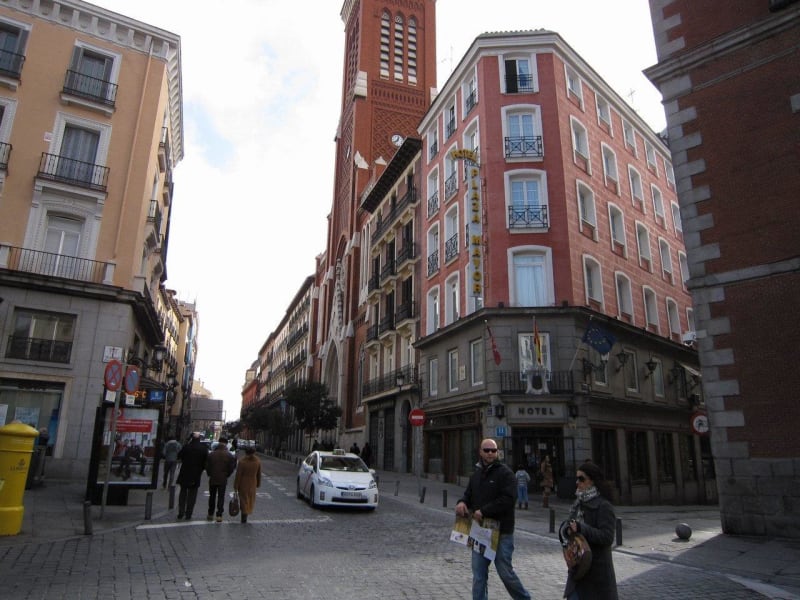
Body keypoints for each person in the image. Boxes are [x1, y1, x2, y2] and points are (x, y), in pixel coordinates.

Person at [455, 438, 531, 600]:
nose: (490, 453)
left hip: (502, 532)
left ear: (497, 453)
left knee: (505, 573)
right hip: (481, 532)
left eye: (493, 450)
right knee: (479, 575)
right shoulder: (476, 475)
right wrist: (461, 502)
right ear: (480, 452)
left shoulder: (506, 473)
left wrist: (484, 511)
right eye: (487, 450)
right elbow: (468, 495)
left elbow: (508, 499)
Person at [562, 461, 618, 600]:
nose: (577, 482)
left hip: (597, 573)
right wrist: (566, 530)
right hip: (578, 570)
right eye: (577, 478)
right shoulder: (578, 503)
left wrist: (582, 528)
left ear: (592, 481)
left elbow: (607, 537)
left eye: (581, 479)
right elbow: (569, 527)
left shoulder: (604, 506)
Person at [176, 432, 209, 520]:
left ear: (191, 438)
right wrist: (201, 468)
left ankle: (181, 512)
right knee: (192, 494)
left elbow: (179, 456)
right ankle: (189, 513)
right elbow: (206, 462)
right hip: (196, 474)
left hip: (184, 472)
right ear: (199, 439)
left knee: (183, 493)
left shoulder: (187, 447)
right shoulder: (203, 448)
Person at [205, 436, 237, 522]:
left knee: (212, 496)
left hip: (213, 478)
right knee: (221, 497)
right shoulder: (229, 455)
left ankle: (210, 514)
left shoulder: (212, 454)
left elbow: (207, 466)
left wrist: (210, 474)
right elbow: (231, 468)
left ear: (219, 443)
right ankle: (219, 515)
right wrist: (227, 475)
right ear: (226, 444)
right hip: (223, 478)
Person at [234, 445, 261, 523]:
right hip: (253, 482)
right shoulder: (257, 461)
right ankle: (247, 512)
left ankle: (244, 514)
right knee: (250, 499)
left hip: (243, 483)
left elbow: (238, 475)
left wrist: (236, 486)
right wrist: (258, 483)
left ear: (246, 452)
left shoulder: (242, 462)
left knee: (243, 499)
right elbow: (258, 474)